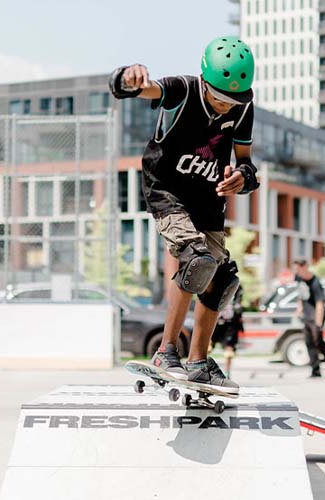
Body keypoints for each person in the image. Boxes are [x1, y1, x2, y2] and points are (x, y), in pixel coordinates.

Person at [108, 36, 259, 395]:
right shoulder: (182, 91)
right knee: (196, 260)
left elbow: (246, 161)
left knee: (222, 281)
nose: (226, 107)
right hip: (167, 192)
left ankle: (198, 363)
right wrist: (127, 78)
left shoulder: (242, 109)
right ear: (204, 81)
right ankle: (165, 351)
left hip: (208, 199)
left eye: (233, 101)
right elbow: (138, 90)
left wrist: (244, 178)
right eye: (219, 98)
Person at [293, 259, 325, 377]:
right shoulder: (298, 278)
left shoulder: (315, 283)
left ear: (305, 267)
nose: (296, 272)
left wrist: (318, 323)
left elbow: (320, 304)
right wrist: (300, 308)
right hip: (307, 316)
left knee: (319, 343)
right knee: (309, 342)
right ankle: (315, 370)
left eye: (298, 269)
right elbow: (300, 294)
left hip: (316, 316)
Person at [211, 284, 244, 377]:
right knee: (207, 346)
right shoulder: (217, 283)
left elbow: (238, 303)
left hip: (230, 322)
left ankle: (227, 372)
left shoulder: (237, 285)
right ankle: (202, 367)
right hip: (216, 320)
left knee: (229, 348)